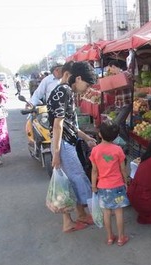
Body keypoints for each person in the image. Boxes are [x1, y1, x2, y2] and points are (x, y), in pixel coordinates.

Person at [47, 61, 98, 233]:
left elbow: (68, 124)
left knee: (70, 181)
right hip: (63, 144)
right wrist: (56, 153)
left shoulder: (63, 91)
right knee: (76, 178)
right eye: (87, 84)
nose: (87, 88)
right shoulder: (64, 91)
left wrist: (85, 137)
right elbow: (58, 125)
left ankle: (79, 215)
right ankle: (72, 220)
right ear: (77, 78)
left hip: (65, 141)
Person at [90, 120, 130, 246]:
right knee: (118, 212)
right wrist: (126, 182)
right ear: (116, 136)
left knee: (106, 213)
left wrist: (93, 186)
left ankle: (109, 237)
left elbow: (94, 171)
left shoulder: (95, 151)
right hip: (117, 185)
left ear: (100, 134)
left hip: (103, 186)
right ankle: (121, 238)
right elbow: (123, 169)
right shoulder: (118, 149)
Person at [107, 60, 133, 141]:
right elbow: (113, 93)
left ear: (113, 67)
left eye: (110, 69)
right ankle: (126, 143)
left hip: (126, 103)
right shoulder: (113, 78)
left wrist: (130, 79)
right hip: (119, 104)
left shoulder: (125, 73)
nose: (110, 71)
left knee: (116, 123)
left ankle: (126, 142)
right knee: (121, 124)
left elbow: (132, 81)